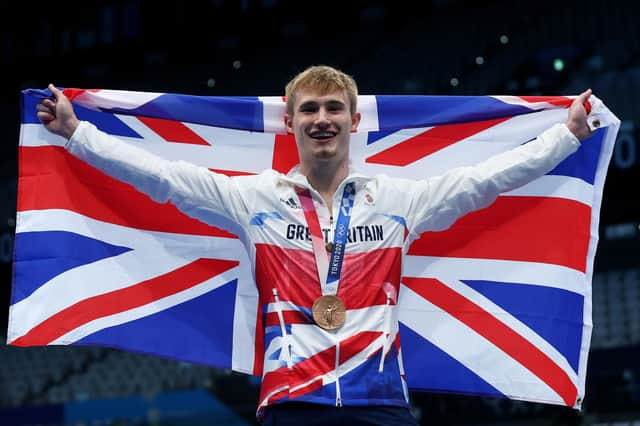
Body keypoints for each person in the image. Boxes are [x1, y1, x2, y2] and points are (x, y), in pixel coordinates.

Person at [36, 65, 593, 425]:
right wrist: (79, 134)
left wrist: (565, 134)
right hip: (290, 405)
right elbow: (163, 176)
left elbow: (487, 178)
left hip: (381, 406)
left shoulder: (400, 199)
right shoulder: (253, 200)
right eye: (309, 109)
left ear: (354, 122)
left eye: (332, 110)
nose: (321, 120)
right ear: (290, 123)